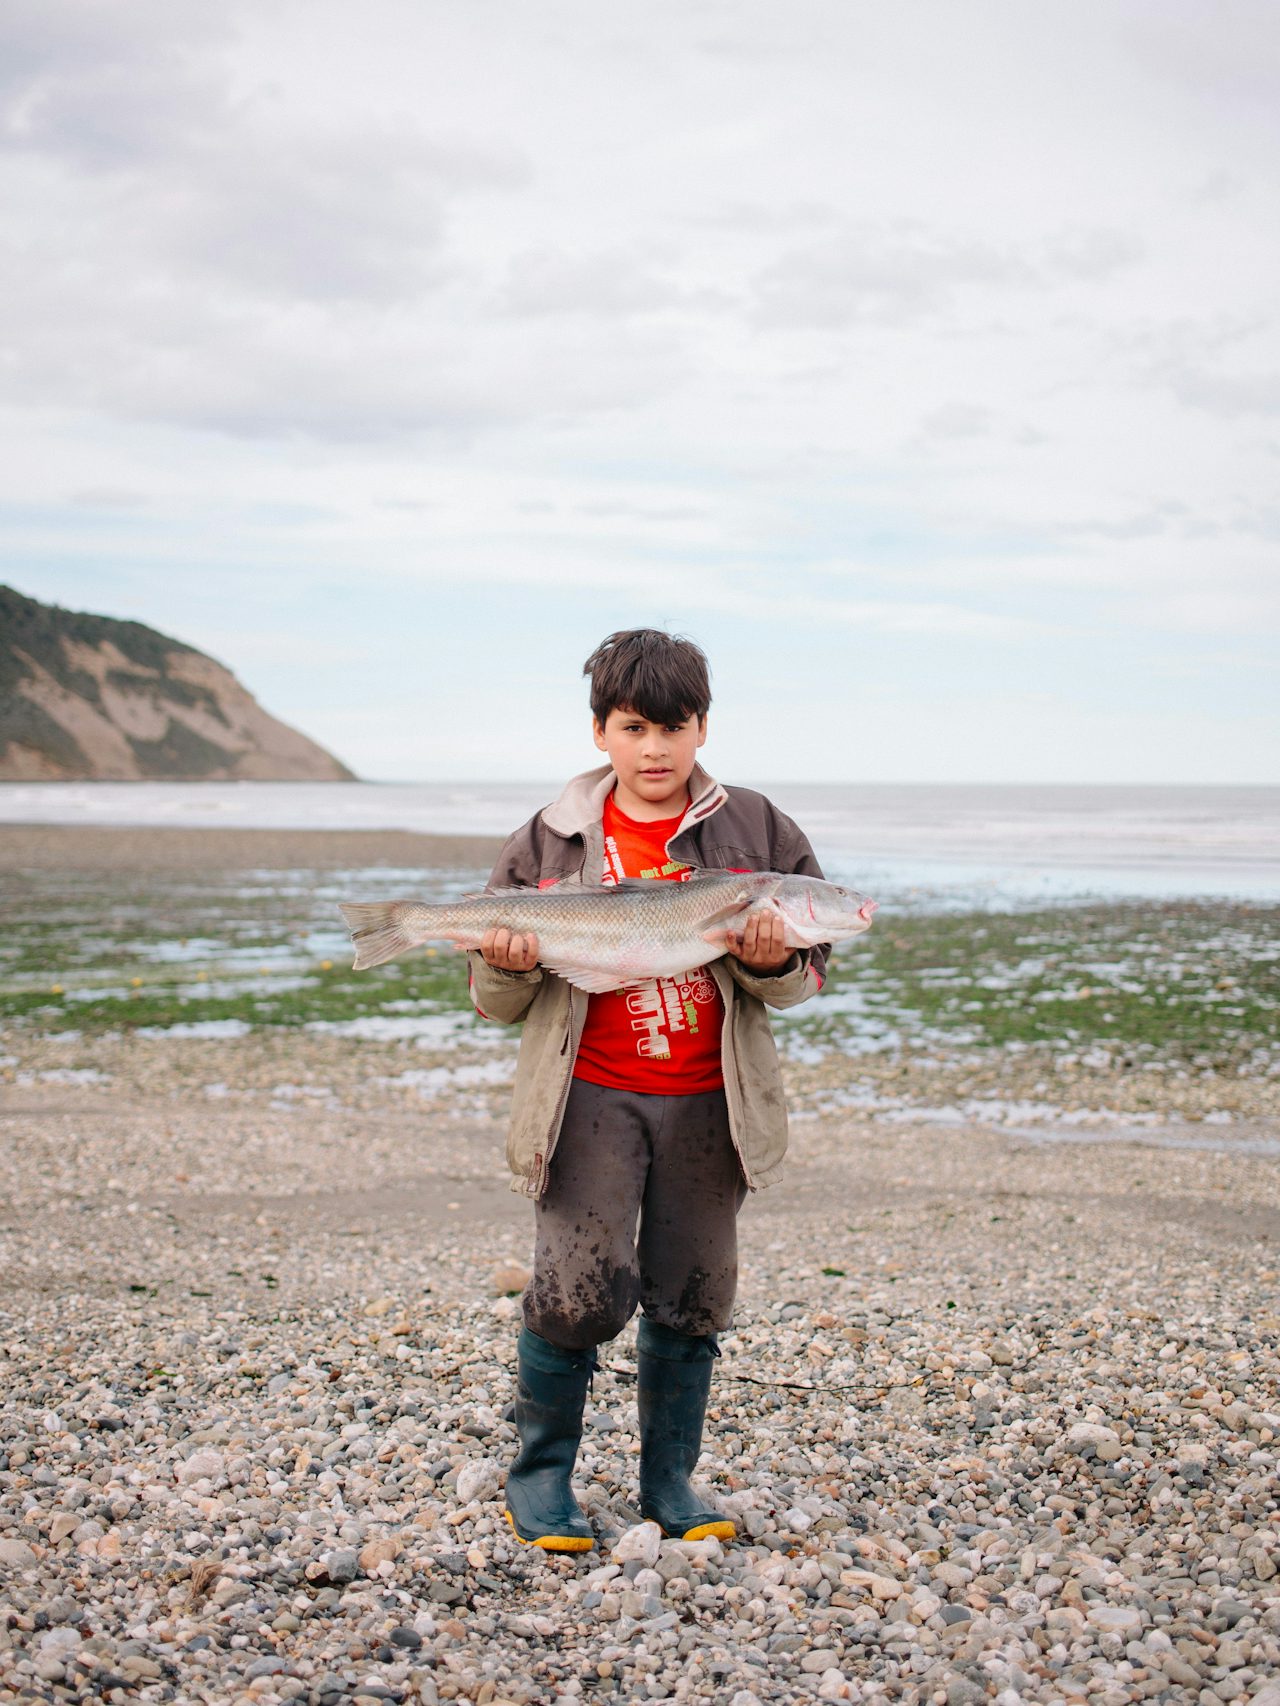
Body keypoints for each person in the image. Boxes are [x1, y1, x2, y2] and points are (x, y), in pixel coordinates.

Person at [467, 628, 829, 1552]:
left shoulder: (756, 830)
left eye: (674, 727)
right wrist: (505, 963)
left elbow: (804, 979)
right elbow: (496, 1001)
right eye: (634, 728)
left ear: (703, 726)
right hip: (588, 1096)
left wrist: (774, 957)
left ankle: (670, 1484)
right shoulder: (550, 840)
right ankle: (541, 1482)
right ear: (601, 734)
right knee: (576, 1295)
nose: (656, 749)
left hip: (712, 1102)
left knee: (695, 1294)